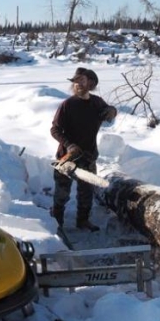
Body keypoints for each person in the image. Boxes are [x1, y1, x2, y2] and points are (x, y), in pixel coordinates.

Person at [50, 67, 117, 232]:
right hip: (67, 157)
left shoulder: (97, 102)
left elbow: (110, 113)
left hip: (88, 157)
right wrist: (69, 145)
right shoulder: (67, 105)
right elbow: (55, 130)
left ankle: (83, 221)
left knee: (86, 192)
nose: (77, 84)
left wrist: (112, 111)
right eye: (75, 81)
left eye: (81, 81)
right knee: (62, 194)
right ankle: (56, 222)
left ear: (91, 84)